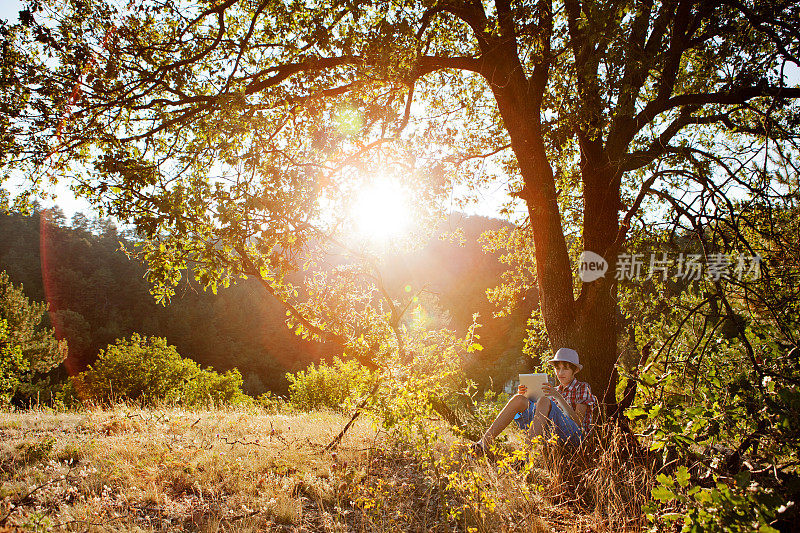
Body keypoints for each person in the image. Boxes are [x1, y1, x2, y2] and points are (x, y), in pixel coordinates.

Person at [472, 348, 597, 457]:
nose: (560, 373)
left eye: (565, 369)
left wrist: (558, 397)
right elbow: (536, 418)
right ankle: (483, 444)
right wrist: (525, 398)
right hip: (553, 434)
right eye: (557, 368)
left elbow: (578, 422)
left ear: (575, 371)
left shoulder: (582, 387)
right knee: (518, 399)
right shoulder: (553, 390)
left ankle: (525, 454)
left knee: (544, 400)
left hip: (575, 437)